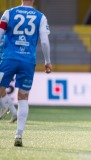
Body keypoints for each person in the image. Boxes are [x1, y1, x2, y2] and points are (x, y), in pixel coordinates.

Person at [0, 0, 52, 147]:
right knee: (23, 97)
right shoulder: (40, 17)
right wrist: (47, 61)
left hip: (8, 58)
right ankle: (18, 134)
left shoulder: (9, 13)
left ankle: (7, 108)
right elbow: (44, 42)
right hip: (28, 61)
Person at [0, 36, 18, 123]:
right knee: (2, 90)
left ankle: (4, 107)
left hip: (3, 66)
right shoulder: (9, 37)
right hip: (9, 65)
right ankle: (14, 113)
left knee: (1, 90)